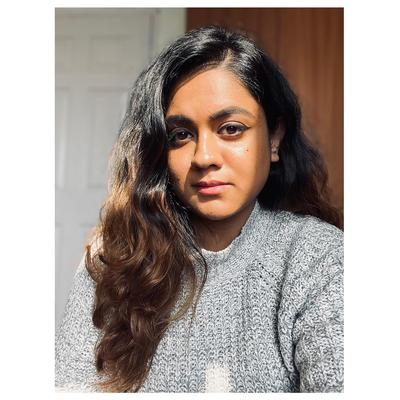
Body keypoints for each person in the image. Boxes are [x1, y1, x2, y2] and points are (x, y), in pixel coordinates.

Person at [55, 25, 344, 393]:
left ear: (274, 138)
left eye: (231, 129)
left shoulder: (320, 258)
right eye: (181, 135)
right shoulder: (114, 259)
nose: (204, 157)